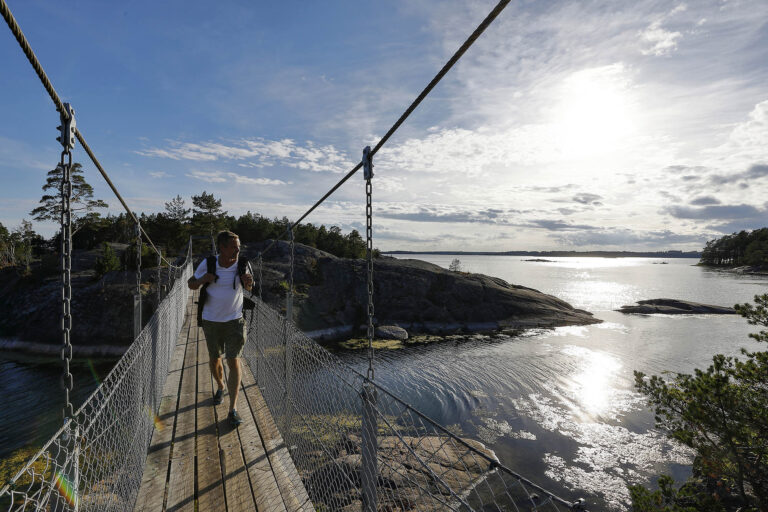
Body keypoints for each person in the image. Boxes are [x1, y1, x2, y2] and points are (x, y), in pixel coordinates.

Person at [187, 231, 253, 426]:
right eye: (234, 246)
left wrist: (248, 284)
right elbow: (190, 284)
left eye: (239, 246)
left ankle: (232, 409)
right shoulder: (208, 263)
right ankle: (220, 385)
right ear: (222, 248)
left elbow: (249, 287)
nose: (238, 249)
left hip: (235, 320)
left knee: (234, 361)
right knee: (215, 359)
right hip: (211, 320)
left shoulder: (244, 263)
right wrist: (201, 280)